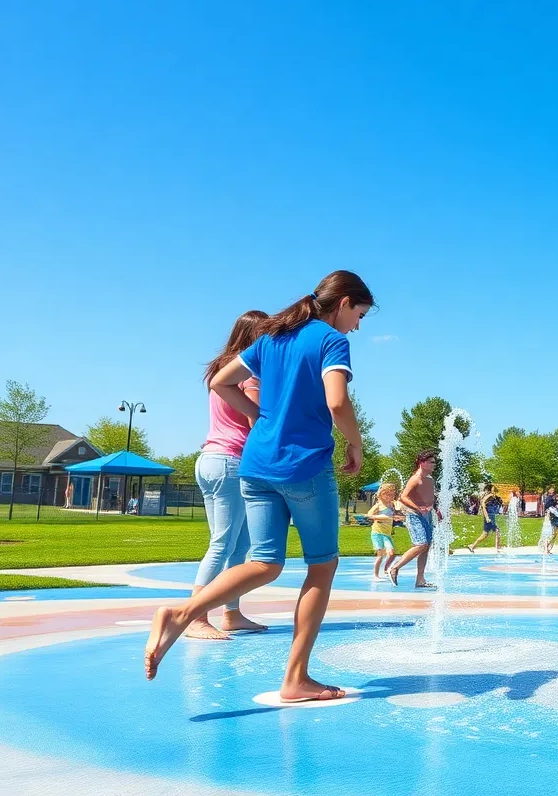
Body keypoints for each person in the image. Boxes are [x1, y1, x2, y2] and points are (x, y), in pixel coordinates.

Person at [145, 270, 374, 703]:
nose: (358, 326)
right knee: (322, 566)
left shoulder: (271, 339)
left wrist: (261, 417)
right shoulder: (330, 341)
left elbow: (219, 382)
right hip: (303, 466)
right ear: (343, 302)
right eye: (359, 314)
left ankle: (183, 611)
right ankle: (296, 678)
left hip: (255, 466)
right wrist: (355, 444)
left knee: (266, 562)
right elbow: (337, 401)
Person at [185, 310, 270, 641]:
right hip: (230, 462)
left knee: (241, 543)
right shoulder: (248, 371)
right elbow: (256, 423)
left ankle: (231, 613)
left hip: (213, 460)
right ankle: (196, 616)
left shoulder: (223, 368)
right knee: (222, 542)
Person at [386, 451, 442, 588]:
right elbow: (403, 497)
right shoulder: (415, 479)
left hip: (426, 515)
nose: (434, 464)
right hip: (414, 514)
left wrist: (436, 509)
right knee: (421, 544)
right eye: (431, 462)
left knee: (426, 547)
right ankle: (394, 568)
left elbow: (430, 498)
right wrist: (418, 508)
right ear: (422, 463)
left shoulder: (429, 479)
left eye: (434, 462)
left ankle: (420, 580)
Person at [366, 482, 399, 580]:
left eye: (392, 494)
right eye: (388, 494)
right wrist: (382, 517)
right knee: (380, 555)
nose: (391, 496)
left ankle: (385, 570)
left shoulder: (393, 504)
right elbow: (369, 515)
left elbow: (399, 510)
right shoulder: (379, 505)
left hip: (387, 534)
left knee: (392, 554)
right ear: (382, 494)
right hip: (377, 532)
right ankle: (375, 575)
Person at [468, 484, 503, 553]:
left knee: (485, 534)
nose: (494, 489)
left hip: (491, 516)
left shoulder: (491, 496)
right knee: (497, 531)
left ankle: (472, 546)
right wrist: (487, 517)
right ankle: (498, 547)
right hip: (489, 517)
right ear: (491, 489)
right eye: (493, 488)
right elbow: (483, 505)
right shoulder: (489, 496)